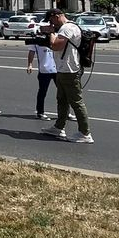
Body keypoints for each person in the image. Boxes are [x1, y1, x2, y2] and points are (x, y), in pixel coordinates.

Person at [42, 8, 93, 143]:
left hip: (69, 70)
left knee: (76, 101)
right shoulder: (72, 26)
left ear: (57, 16)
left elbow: (56, 46)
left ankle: (85, 133)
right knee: (62, 100)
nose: (51, 23)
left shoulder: (66, 28)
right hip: (65, 69)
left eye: (52, 20)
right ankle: (58, 127)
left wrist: (51, 33)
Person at [27, 15, 60, 121]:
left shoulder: (57, 36)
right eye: (45, 27)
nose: (49, 28)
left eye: (50, 27)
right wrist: (30, 64)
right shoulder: (38, 40)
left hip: (58, 69)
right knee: (42, 92)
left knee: (63, 92)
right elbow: (31, 52)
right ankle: (40, 112)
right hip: (45, 69)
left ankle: (65, 112)